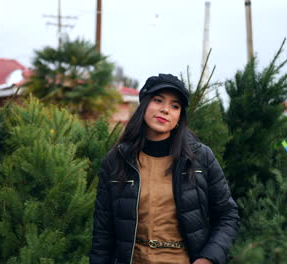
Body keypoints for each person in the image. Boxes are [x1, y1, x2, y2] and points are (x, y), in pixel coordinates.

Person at [90, 74, 239, 264]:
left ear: (179, 117)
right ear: (144, 105)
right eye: (158, 100)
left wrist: (208, 258)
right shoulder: (117, 160)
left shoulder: (200, 158)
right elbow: (103, 233)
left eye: (175, 106)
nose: (165, 110)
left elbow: (228, 215)